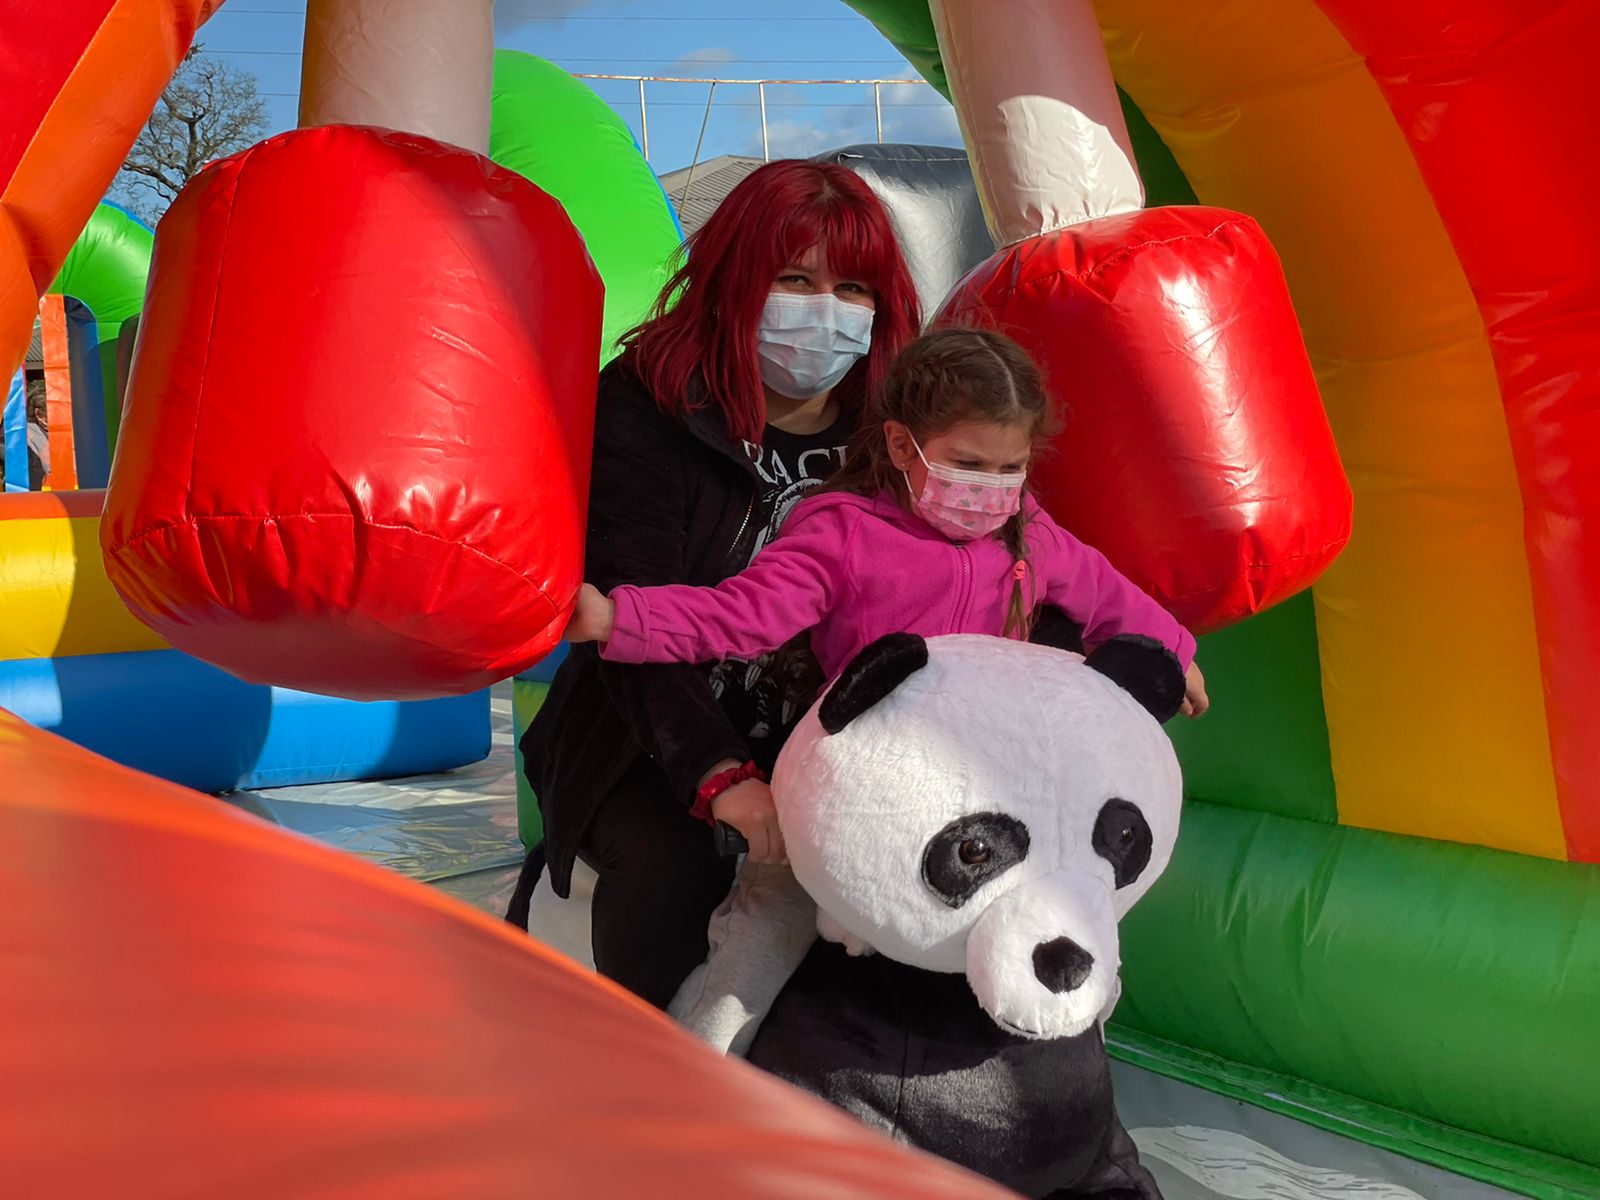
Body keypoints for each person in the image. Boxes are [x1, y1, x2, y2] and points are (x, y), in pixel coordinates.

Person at [563, 327, 1208, 1054]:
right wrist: (619, 618)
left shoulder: (1027, 532)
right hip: (862, 785)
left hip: (979, 789)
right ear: (903, 447)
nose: (989, 488)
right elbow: (739, 615)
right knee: (766, 929)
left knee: (1053, 908)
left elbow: (1104, 592)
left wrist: (1176, 652)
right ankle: (697, 1064)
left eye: (1010, 468)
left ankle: (1060, 1053)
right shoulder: (844, 533)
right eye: (968, 464)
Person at [511, 159, 922, 1011]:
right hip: (645, 735)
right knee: (673, 863)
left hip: (830, 735)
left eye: (852, 288)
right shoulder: (649, 405)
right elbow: (629, 619)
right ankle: (650, 1061)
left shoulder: (893, 433)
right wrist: (718, 773)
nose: (825, 310)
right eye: (795, 280)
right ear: (738, 280)